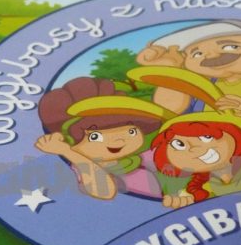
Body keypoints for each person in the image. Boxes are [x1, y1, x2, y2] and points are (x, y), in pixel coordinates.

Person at [151, 95, 241, 208]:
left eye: (206, 137)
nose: (193, 148)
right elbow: (186, 199)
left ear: (236, 138)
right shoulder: (206, 186)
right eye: (179, 144)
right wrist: (178, 200)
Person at [35, 77, 169, 200]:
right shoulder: (83, 169)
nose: (119, 141)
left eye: (131, 131)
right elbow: (104, 191)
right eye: (95, 136)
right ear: (68, 139)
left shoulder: (141, 158)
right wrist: (67, 152)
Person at [137, 20, 241, 115]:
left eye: (230, 46)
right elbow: (170, 110)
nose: (212, 56)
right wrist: (171, 69)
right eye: (197, 54)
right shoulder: (203, 85)